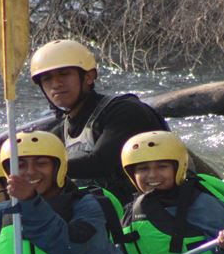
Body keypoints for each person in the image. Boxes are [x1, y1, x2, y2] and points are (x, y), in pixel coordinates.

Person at [28, 39, 169, 205]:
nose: (56, 84)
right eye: (47, 79)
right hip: (97, 216)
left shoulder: (125, 111)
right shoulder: (58, 133)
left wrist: (43, 169)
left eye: (64, 74)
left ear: (89, 77)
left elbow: (102, 162)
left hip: (151, 214)